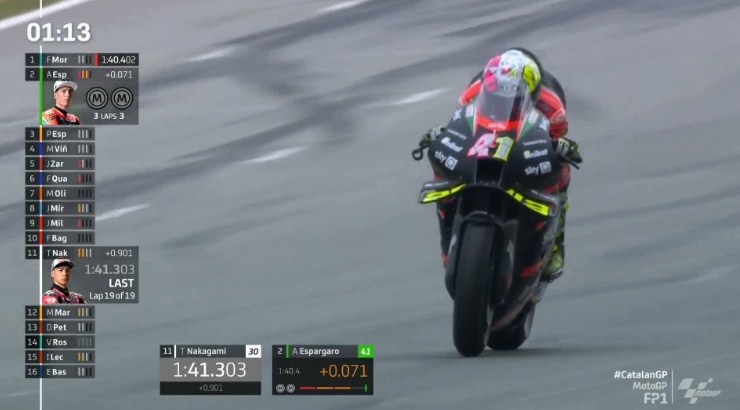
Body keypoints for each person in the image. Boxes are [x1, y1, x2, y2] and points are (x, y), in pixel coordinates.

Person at [417, 48, 582, 281]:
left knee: (562, 171)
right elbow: (461, 122)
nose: (501, 104)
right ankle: (448, 224)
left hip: (523, 142)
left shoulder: (552, 109)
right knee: (445, 163)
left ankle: (555, 244)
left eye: (511, 100)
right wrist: (442, 134)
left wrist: (561, 148)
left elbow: (557, 138)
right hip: (485, 142)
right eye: (495, 99)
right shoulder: (471, 95)